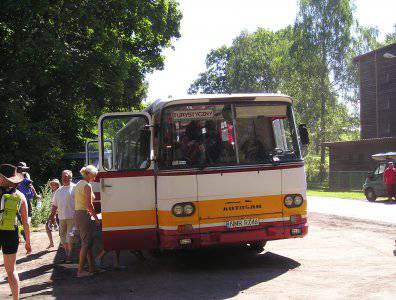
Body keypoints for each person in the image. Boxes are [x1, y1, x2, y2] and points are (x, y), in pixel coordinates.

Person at [0, 164, 32, 300]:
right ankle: (15, 298)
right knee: (11, 271)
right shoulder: (20, 196)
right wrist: (28, 242)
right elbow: (25, 223)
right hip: (11, 233)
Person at [74, 165, 100, 277]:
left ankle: (92, 268)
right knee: (86, 243)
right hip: (84, 214)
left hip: (78, 214)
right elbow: (89, 205)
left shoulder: (78, 184)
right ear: (88, 174)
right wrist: (96, 218)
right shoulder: (87, 186)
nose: (94, 178)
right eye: (94, 176)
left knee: (87, 242)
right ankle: (80, 271)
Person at [49, 170, 75, 262]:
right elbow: (55, 205)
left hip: (73, 218)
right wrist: (52, 217)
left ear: (71, 178)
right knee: (63, 238)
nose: (65, 178)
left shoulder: (75, 188)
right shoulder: (58, 191)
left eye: (67, 176)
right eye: (63, 176)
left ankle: (69, 256)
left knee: (70, 237)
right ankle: (67, 253)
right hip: (61, 218)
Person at [45, 179, 60, 249]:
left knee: (61, 230)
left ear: (58, 185)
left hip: (59, 214)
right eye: (52, 184)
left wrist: (53, 215)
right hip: (54, 213)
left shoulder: (59, 192)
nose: (53, 186)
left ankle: (63, 244)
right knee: (47, 226)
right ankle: (51, 243)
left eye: (54, 184)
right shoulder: (53, 192)